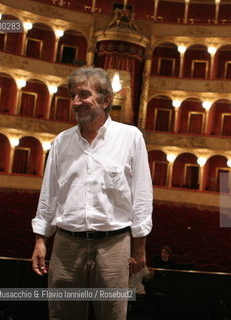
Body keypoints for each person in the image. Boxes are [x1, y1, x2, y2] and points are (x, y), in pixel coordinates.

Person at [31, 67, 153, 320]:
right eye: (73, 95)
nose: (76, 102)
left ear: (105, 99)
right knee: (62, 314)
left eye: (84, 95)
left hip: (113, 244)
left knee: (111, 315)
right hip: (66, 245)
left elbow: (141, 194)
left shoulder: (130, 137)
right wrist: (40, 239)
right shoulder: (61, 141)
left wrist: (139, 246)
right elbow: (49, 193)